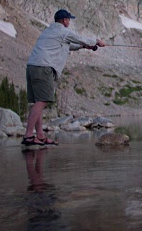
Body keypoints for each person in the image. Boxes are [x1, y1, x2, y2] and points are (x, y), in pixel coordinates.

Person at [22, 9, 105, 146]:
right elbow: (81, 39)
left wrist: (84, 47)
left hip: (32, 67)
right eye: (69, 19)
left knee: (38, 102)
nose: (69, 21)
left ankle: (40, 136)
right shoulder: (63, 31)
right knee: (42, 101)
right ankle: (29, 135)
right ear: (64, 20)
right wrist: (96, 41)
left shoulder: (49, 31)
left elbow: (68, 45)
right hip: (44, 68)